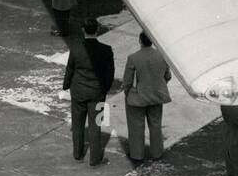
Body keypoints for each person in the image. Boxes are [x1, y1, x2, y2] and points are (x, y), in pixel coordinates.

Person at [63, 18, 114, 166]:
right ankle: (95, 158)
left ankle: (77, 154)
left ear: (83, 30)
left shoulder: (76, 49)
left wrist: (66, 85)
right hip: (97, 93)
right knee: (96, 124)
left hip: (78, 92)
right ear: (97, 30)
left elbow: (70, 69)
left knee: (78, 124)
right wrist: (105, 88)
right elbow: (109, 73)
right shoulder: (106, 50)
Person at [121, 30, 171, 164]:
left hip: (139, 97)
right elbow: (167, 76)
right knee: (155, 125)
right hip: (156, 96)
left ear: (140, 41)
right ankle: (157, 153)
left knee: (136, 126)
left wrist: (128, 93)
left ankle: (137, 154)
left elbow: (127, 81)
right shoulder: (161, 56)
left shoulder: (133, 58)